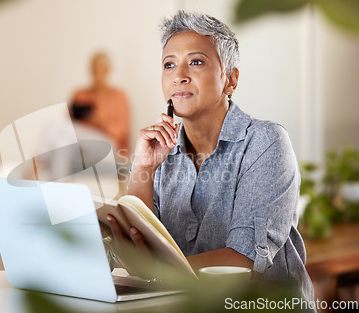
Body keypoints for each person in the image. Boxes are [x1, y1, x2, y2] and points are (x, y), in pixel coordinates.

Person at [106, 10, 315, 305]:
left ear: (230, 80)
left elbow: (243, 261)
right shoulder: (161, 151)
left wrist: (159, 272)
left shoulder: (266, 143)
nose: (179, 76)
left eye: (196, 61)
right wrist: (144, 167)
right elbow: (139, 244)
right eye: (169, 65)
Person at [71, 52, 131, 158]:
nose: (97, 72)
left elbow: (123, 132)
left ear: (108, 70)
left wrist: (101, 122)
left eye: (100, 68)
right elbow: (68, 124)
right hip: (80, 141)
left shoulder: (119, 96)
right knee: (57, 130)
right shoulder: (80, 94)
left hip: (108, 144)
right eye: (94, 68)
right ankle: (37, 169)